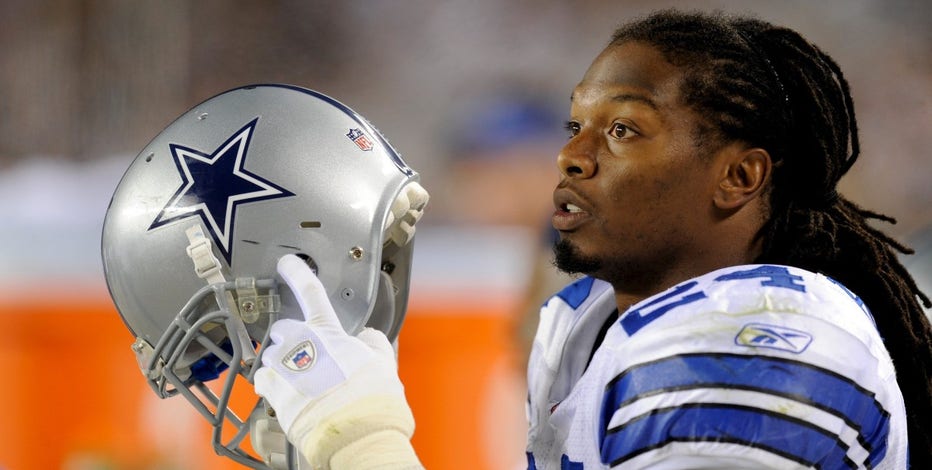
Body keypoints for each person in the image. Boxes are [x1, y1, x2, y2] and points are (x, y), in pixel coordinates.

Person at [253, 8, 932, 470]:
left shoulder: (748, 346)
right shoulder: (613, 318)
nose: (571, 157)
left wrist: (362, 441)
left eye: (624, 131)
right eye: (573, 127)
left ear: (739, 175)